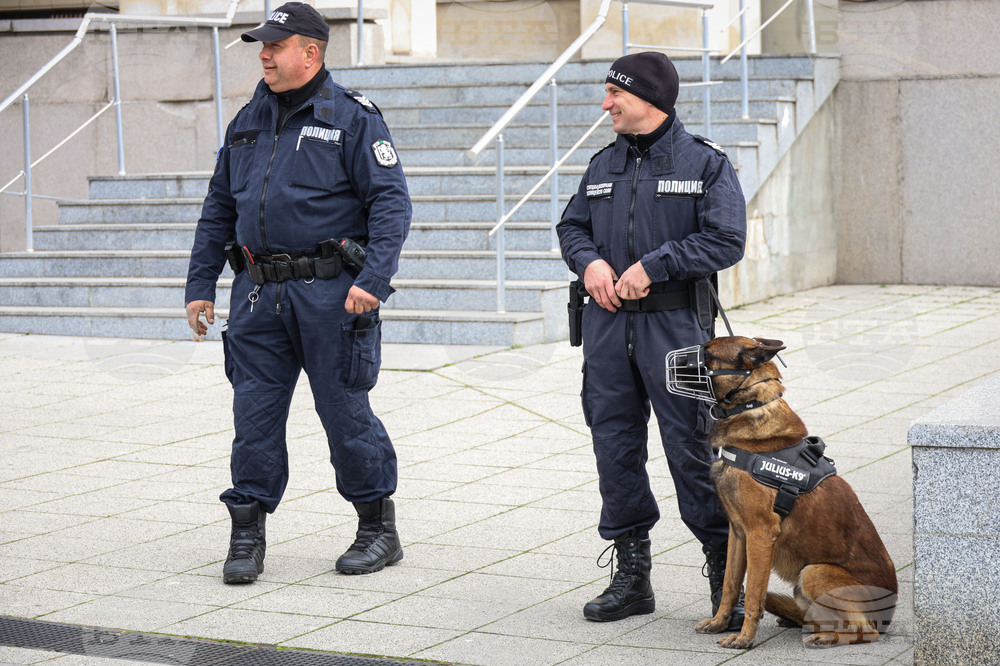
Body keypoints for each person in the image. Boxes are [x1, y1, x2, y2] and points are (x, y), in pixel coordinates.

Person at [184, 1, 412, 584]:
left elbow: (391, 203)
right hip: (258, 295)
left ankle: (377, 529)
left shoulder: (352, 117)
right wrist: (201, 284)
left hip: (332, 295)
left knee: (344, 413)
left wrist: (373, 281)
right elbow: (218, 207)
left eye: (275, 46)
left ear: (310, 52)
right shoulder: (247, 119)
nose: (263, 55)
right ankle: (246, 534)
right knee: (253, 417)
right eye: (262, 46)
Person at [557, 52, 747, 627]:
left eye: (615, 94)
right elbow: (571, 226)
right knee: (614, 449)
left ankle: (727, 579)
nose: (606, 104)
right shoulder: (603, 163)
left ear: (650, 98)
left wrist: (655, 265)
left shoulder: (705, 163)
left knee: (693, 450)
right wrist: (589, 262)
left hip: (677, 331)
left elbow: (726, 239)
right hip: (607, 331)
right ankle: (632, 578)